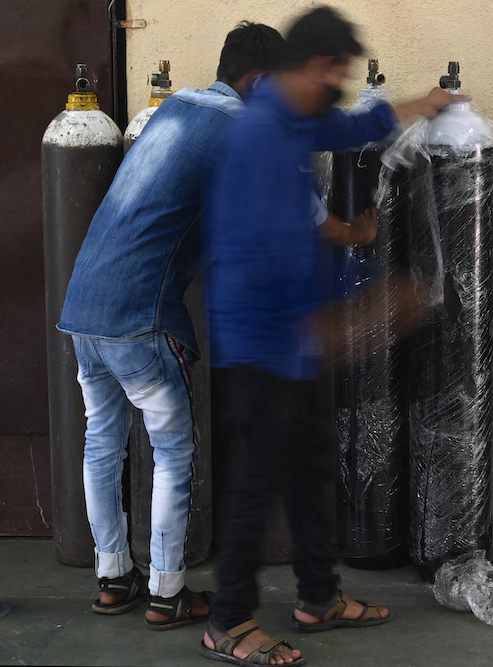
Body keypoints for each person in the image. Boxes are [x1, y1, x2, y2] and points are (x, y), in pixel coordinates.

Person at [200, 7, 463, 666]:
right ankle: (228, 621)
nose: (341, 82)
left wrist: (420, 105)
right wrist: (351, 319)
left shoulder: (292, 116)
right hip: (261, 338)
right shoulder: (260, 135)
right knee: (255, 483)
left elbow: (350, 125)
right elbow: (268, 256)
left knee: (313, 467)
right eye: (337, 72)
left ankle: (318, 596)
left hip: (294, 336)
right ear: (312, 67)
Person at [57, 21, 286, 629]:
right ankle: (167, 592)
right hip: (142, 318)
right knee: (173, 451)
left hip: (83, 307)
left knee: (101, 440)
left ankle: (114, 579)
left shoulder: (176, 108)